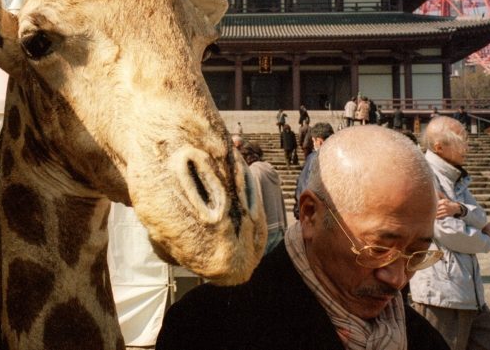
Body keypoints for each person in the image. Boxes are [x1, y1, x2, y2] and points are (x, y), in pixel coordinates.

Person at [156, 126, 449, 350]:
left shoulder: (423, 340)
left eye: (417, 255)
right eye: (378, 249)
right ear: (310, 214)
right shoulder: (207, 327)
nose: (397, 278)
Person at [408, 116, 490, 350]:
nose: (467, 147)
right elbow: (446, 230)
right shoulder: (425, 176)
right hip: (441, 291)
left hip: (469, 291)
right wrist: (487, 240)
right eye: (461, 140)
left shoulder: (456, 176)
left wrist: (459, 209)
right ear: (439, 147)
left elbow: (481, 216)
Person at [240, 141, 286, 254]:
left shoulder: (254, 172)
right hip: (277, 227)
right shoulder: (269, 169)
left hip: (265, 231)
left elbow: (256, 202)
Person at [292, 122, 333, 220]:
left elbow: (303, 186)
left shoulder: (314, 158)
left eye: (313, 141)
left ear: (320, 141)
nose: (313, 144)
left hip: (316, 216)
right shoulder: (341, 156)